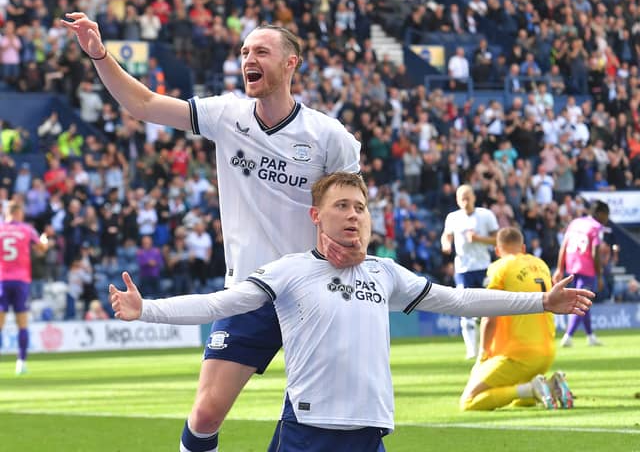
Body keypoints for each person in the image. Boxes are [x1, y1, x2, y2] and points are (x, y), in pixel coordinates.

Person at [110, 172, 595, 451]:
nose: (354, 215)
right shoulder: (289, 271)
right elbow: (220, 303)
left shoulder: (386, 273)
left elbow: (460, 299)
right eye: (341, 206)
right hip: (308, 435)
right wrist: (145, 309)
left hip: (369, 435)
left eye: (360, 207)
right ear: (317, 216)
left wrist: (542, 301)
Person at [62, 13, 362, 452]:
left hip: (314, 293)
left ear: (291, 64)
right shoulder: (227, 115)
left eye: (260, 51)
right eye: (244, 52)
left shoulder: (327, 135)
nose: (248, 59)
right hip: (250, 290)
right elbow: (143, 104)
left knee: (320, 413)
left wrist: (356, 250)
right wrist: (99, 55)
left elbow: (356, 205)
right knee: (204, 415)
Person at [460, 227, 574, 412]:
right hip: (546, 354)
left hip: (518, 355)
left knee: (469, 401)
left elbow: (490, 314)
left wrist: (482, 354)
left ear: (497, 250)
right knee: (519, 399)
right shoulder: (541, 265)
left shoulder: (500, 267)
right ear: (523, 247)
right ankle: (552, 385)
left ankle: (532, 388)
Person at [441, 184, 499, 359]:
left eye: (468, 197)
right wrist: (446, 244)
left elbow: (498, 239)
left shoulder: (486, 215)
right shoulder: (453, 217)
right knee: (463, 307)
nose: (465, 201)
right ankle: (471, 350)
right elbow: (446, 235)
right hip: (463, 269)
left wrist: (479, 239)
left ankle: (489, 346)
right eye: (461, 198)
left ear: (474, 197)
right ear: (457, 200)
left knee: (487, 309)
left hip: (483, 267)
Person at [553, 200, 610, 347]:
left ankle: (590, 336)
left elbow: (564, 245)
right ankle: (568, 336)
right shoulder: (596, 227)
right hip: (586, 269)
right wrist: (599, 275)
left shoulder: (575, 222)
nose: (606, 219)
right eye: (606, 215)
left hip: (571, 266)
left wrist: (560, 268)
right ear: (600, 214)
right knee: (581, 302)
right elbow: (595, 252)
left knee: (583, 302)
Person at [0, 201, 48, 374]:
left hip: (2, 280)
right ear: (19, 213)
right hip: (21, 281)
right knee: (22, 323)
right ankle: (21, 362)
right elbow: (41, 249)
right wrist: (45, 240)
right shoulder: (26, 229)